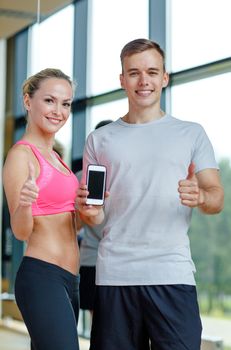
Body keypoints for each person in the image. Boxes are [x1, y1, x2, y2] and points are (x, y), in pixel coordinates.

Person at [76, 38, 224, 350]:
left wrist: (200, 197)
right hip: (115, 275)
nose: (144, 80)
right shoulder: (99, 139)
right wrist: (89, 213)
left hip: (172, 271)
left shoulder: (191, 133)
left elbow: (216, 198)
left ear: (165, 78)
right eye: (134, 72)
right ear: (122, 80)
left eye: (152, 72)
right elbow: (95, 211)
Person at [2, 68, 101, 350]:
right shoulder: (22, 155)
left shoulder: (57, 158)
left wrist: (83, 209)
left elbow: (69, 225)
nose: (58, 110)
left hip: (71, 279)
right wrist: (23, 204)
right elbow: (21, 231)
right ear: (27, 101)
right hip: (42, 277)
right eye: (49, 101)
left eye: (66, 103)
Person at [76, 119, 112, 316]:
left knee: (101, 323)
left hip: (101, 259)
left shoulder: (81, 175)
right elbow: (76, 224)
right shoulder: (80, 177)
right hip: (93, 259)